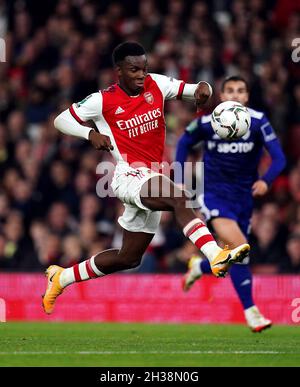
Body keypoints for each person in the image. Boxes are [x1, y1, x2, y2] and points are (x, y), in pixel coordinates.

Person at [42, 42, 250, 315]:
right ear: (119, 71)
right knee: (178, 197)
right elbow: (61, 120)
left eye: (144, 68)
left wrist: (204, 90)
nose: (141, 75)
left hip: (154, 174)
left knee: (128, 257)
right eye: (134, 69)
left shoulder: (157, 84)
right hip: (128, 174)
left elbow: (194, 90)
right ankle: (215, 255)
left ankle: (62, 278)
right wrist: (89, 134)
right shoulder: (102, 100)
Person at [176, 75, 286, 332]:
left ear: (246, 97)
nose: (235, 95)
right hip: (213, 195)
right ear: (222, 97)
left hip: (243, 199)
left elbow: (279, 159)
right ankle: (252, 312)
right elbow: (183, 143)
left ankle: (199, 267)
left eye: (240, 91)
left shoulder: (259, 122)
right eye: (230, 91)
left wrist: (266, 181)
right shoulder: (207, 122)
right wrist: (179, 180)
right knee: (240, 248)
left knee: (234, 254)